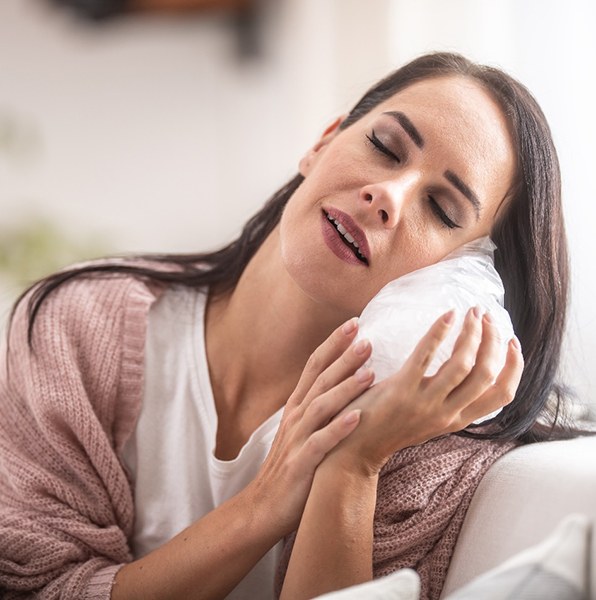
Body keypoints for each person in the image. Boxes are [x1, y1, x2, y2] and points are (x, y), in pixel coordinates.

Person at [0, 51, 576, 600]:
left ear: (468, 275)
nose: (388, 196)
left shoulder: (427, 446)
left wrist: (355, 463)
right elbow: (38, 586)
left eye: (442, 209)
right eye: (385, 146)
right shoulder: (76, 327)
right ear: (323, 141)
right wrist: (264, 504)